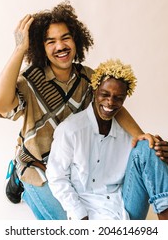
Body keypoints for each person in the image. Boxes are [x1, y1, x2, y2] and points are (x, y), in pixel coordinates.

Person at [0, 2, 166, 220]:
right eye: (51, 42)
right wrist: (20, 49)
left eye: (66, 38)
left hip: (73, 165)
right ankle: (20, 180)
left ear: (76, 40)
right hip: (39, 165)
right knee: (66, 226)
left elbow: (113, 107)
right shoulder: (31, 80)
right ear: (41, 47)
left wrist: (140, 135)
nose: (60, 46)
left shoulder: (88, 77)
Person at [46, 59, 168, 220]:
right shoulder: (70, 130)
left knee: (148, 146)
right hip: (88, 209)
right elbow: (57, 177)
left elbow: (147, 164)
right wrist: (79, 216)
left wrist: (160, 154)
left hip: (124, 206)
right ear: (94, 90)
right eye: (105, 94)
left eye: (118, 98)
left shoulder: (127, 133)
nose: (110, 102)